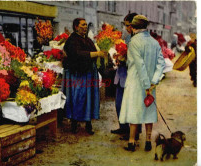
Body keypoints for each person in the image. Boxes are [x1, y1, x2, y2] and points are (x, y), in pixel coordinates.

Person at [119, 15, 165, 152]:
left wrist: (145, 85)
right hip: (151, 83)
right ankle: (148, 141)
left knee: (135, 111)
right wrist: (153, 82)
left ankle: (132, 142)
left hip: (136, 81)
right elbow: (161, 63)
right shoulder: (154, 42)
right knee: (148, 110)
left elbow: (139, 65)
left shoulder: (134, 42)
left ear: (133, 27)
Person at [62, 18, 107, 135]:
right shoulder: (72, 40)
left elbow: (92, 51)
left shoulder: (87, 39)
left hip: (88, 73)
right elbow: (77, 54)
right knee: (78, 98)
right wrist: (97, 54)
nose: (85, 27)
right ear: (76, 27)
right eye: (82, 25)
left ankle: (88, 123)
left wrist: (101, 53)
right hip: (78, 74)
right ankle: (74, 122)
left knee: (89, 98)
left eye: (86, 25)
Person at [111, 13, 142, 141]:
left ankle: (135, 133)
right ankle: (123, 127)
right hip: (121, 76)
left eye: (128, 25)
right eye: (125, 25)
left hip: (131, 78)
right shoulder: (128, 37)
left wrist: (124, 59)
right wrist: (119, 58)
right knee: (119, 104)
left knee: (133, 106)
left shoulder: (139, 39)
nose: (126, 28)